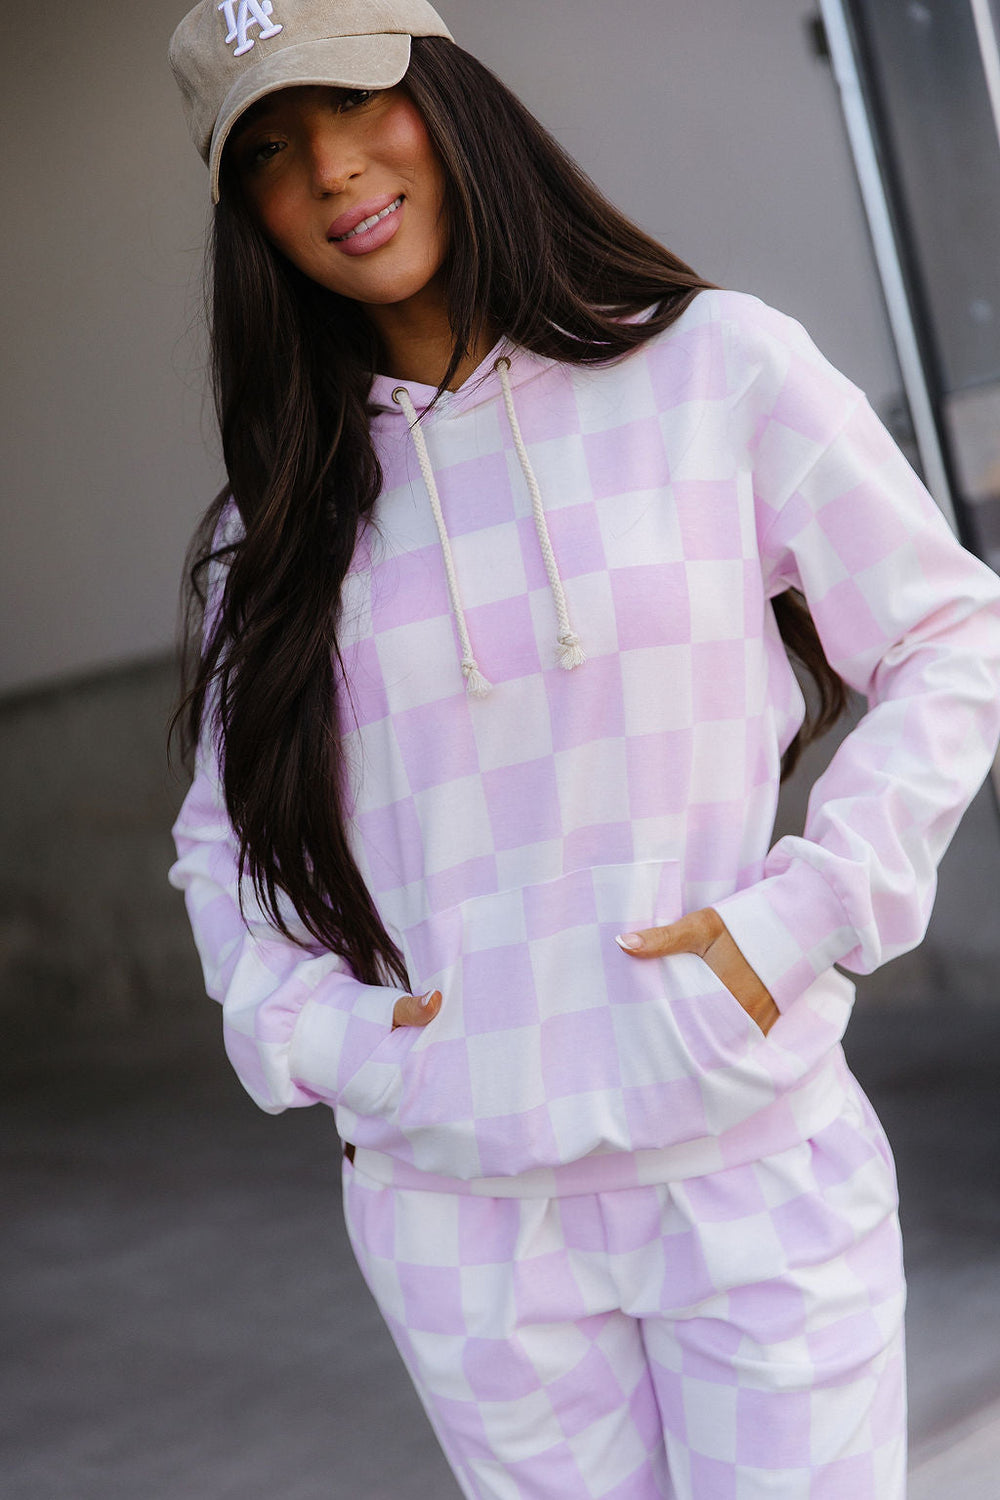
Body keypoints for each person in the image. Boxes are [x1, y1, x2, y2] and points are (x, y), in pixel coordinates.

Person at [166, 2, 1000, 1495]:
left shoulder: (717, 370)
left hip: (746, 1169)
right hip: (461, 1223)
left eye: (357, 103)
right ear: (250, 220)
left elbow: (951, 633)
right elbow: (221, 844)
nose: (334, 171)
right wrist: (327, 1042)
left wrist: (812, 912)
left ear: (448, 97)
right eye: (272, 152)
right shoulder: (275, 529)